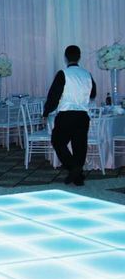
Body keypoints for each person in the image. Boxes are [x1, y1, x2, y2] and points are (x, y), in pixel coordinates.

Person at [43, 45, 97, 186]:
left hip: (66, 115)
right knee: (80, 146)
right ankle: (77, 176)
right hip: (82, 116)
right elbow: (93, 94)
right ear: (79, 57)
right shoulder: (87, 74)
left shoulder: (63, 74)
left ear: (66, 57)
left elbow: (54, 96)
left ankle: (73, 168)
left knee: (57, 141)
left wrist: (46, 111)